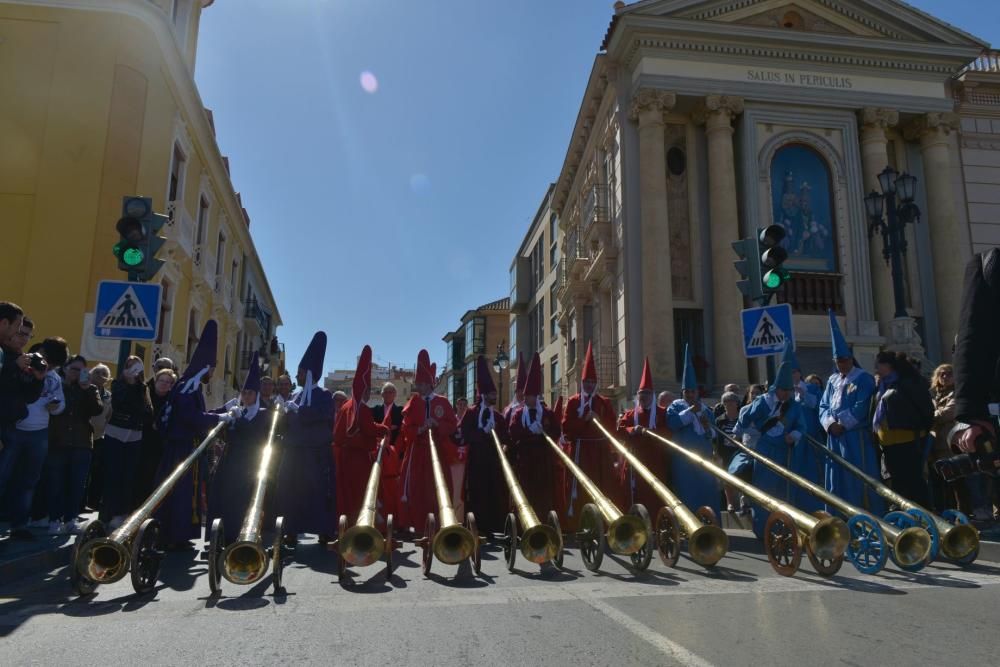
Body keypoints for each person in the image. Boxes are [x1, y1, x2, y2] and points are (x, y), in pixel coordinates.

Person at [156, 321, 227, 549]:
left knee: (186, 493)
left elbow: (196, 414)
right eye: (213, 369)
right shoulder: (188, 387)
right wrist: (218, 419)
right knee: (180, 493)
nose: (214, 374)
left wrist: (222, 411)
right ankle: (173, 535)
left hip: (186, 446)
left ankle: (180, 534)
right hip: (181, 448)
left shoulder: (189, 385)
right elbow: (191, 418)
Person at [275, 331, 336, 544]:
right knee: (290, 490)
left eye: (300, 372)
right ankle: (291, 529)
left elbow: (324, 417)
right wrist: (281, 414)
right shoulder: (294, 396)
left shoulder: (324, 395)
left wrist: (300, 410)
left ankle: (323, 530)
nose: (297, 376)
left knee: (318, 492)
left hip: (316, 455)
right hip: (293, 452)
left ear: (308, 374)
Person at [819, 310, 883, 513]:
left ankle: (865, 512)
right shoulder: (832, 380)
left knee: (857, 474)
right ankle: (838, 513)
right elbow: (824, 405)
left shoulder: (863, 378)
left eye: (845, 360)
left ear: (851, 359)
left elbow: (862, 405)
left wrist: (842, 424)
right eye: (838, 361)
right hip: (835, 438)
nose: (842, 364)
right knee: (837, 475)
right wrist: (829, 424)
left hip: (855, 437)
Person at [736, 362, 806, 538]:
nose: (787, 394)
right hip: (764, 450)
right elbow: (743, 420)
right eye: (784, 390)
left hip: (784, 451)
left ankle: (783, 528)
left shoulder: (793, 406)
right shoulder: (763, 402)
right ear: (777, 389)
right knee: (764, 489)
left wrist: (795, 435)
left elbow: (801, 425)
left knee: (782, 490)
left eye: (789, 390)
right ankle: (763, 531)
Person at [207, 352, 271, 544]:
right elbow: (215, 424)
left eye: (250, 393)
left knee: (241, 499)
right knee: (221, 495)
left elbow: (256, 435)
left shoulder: (263, 414)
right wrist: (223, 414)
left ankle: (240, 535)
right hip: (229, 459)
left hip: (250, 463)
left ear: (257, 395)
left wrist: (239, 419)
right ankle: (220, 535)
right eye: (243, 392)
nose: (245, 396)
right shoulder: (236, 410)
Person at [398, 349, 459, 534]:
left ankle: (440, 524)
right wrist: (421, 428)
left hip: (437, 451)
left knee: (437, 486)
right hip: (417, 453)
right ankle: (417, 524)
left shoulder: (442, 402)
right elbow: (405, 428)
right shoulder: (413, 403)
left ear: (430, 384)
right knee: (417, 489)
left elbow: (453, 425)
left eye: (423, 383)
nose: (420, 387)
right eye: (418, 383)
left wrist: (437, 424)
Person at [562, 342, 621, 524]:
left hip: (600, 452)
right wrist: (583, 420)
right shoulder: (573, 402)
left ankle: (604, 521)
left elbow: (612, 427)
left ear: (595, 383)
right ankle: (579, 520)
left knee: (602, 483)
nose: (589, 385)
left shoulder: (604, 403)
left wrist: (598, 419)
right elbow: (565, 426)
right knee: (579, 487)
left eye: (592, 382)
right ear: (582, 383)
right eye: (586, 382)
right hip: (580, 451)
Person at [45, 355, 103, 534]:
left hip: (82, 442)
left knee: (77, 483)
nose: (76, 373)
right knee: (56, 482)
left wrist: (86, 389)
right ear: (65, 368)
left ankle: (70, 519)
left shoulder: (90, 389)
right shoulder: (57, 385)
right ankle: (54, 519)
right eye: (73, 369)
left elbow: (97, 410)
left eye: (81, 370)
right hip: (58, 440)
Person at [0, 311, 46, 539]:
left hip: (17, 424)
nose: (23, 339)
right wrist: (13, 367)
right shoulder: (4, 357)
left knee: (26, 479)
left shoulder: (24, 360)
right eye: (20, 333)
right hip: (5, 426)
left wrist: (38, 378)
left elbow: (28, 396)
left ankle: (19, 524)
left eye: (27, 335)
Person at [333, 345, 389, 527]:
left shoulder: (344, 406)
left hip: (344, 458)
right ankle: (362, 526)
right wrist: (384, 429)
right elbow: (370, 429)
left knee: (347, 493)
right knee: (362, 492)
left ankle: (346, 525)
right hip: (358, 459)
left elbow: (338, 434)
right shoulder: (361, 408)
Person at [872, 351, 934, 508]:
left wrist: (922, 429)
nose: (876, 369)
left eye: (878, 365)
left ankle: (924, 513)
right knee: (897, 481)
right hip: (888, 442)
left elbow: (925, 409)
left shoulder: (908, 382)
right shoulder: (884, 384)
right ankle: (905, 515)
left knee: (913, 481)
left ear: (888, 365)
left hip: (908, 440)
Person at [666, 344, 720, 518]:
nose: (690, 395)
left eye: (693, 391)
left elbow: (713, 435)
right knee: (687, 492)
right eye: (687, 392)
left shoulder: (707, 410)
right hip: (683, 460)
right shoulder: (675, 406)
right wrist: (691, 412)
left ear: (697, 392)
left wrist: (706, 426)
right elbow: (673, 423)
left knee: (707, 491)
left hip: (704, 458)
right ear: (683, 392)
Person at [460, 355, 509, 536]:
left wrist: (504, 445)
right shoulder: (472, 413)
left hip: (494, 461)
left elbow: (506, 436)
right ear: (484, 395)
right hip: (477, 461)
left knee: (494, 491)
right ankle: (477, 526)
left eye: (495, 394)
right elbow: (463, 434)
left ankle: (495, 526)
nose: (494, 396)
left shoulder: (497, 416)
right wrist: (483, 433)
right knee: (477, 493)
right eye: (491, 394)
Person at [100, 356, 152, 527]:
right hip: (116, 433)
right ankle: (107, 513)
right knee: (112, 475)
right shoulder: (118, 384)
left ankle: (122, 513)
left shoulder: (143, 388)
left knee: (128, 477)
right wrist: (129, 384)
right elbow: (120, 403)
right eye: (129, 366)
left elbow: (145, 412)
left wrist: (136, 387)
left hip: (134, 436)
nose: (133, 370)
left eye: (136, 366)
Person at [508, 353, 561, 519]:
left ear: (536, 396)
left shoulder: (547, 413)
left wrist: (543, 432)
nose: (528, 399)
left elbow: (557, 431)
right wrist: (529, 431)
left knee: (543, 492)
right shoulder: (518, 414)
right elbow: (512, 432)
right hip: (525, 460)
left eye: (531, 396)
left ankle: (545, 519)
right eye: (526, 396)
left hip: (543, 460)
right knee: (526, 490)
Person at [617, 358, 670, 513]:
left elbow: (668, 432)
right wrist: (633, 429)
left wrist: (651, 434)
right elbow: (620, 430)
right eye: (641, 394)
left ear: (652, 395)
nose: (643, 397)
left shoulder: (661, 413)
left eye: (647, 393)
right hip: (634, 459)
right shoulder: (630, 414)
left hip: (655, 459)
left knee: (653, 494)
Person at [782, 343, 825, 514]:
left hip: (812, 441)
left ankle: (818, 509)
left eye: (794, 372)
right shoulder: (783, 392)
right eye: (788, 373)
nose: (792, 376)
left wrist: (803, 393)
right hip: (793, 443)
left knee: (814, 475)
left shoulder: (812, 388)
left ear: (799, 372)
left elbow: (818, 406)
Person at [134, 368, 174, 509]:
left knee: (152, 477)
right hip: (141, 440)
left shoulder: (172, 401)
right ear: (156, 381)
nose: (164, 384)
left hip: (159, 445)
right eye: (161, 380)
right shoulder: (146, 394)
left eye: (168, 382)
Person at [372, 382, 404, 527]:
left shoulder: (401, 411)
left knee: (393, 487)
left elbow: (402, 432)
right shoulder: (375, 410)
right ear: (382, 394)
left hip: (394, 455)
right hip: (376, 453)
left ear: (395, 395)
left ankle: (396, 519)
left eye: (391, 392)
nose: (389, 394)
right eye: (386, 392)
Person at [929, 364, 959, 511]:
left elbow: (948, 413)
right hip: (935, 442)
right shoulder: (934, 394)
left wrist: (930, 415)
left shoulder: (956, 393)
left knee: (955, 480)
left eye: (948, 374)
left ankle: (961, 512)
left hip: (949, 441)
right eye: (942, 374)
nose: (945, 377)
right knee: (940, 481)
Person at [86, 363, 112, 512]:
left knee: (97, 472)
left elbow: (109, 416)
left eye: (104, 373)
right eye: (97, 373)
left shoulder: (108, 396)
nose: (100, 376)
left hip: (99, 437)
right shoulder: (85, 389)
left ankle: (93, 501)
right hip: (84, 435)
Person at [713, 391, 743, 512]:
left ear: (737, 403)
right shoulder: (719, 420)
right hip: (725, 451)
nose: (729, 404)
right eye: (726, 402)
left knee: (740, 475)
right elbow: (716, 438)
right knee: (726, 478)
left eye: (731, 401)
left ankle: (742, 502)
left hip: (739, 451)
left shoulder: (742, 417)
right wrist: (715, 452)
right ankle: (730, 503)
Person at [503, 352, 528, 423]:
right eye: (519, 391)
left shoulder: (535, 408)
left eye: (523, 390)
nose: (521, 393)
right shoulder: (508, 410)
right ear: (516, 392)